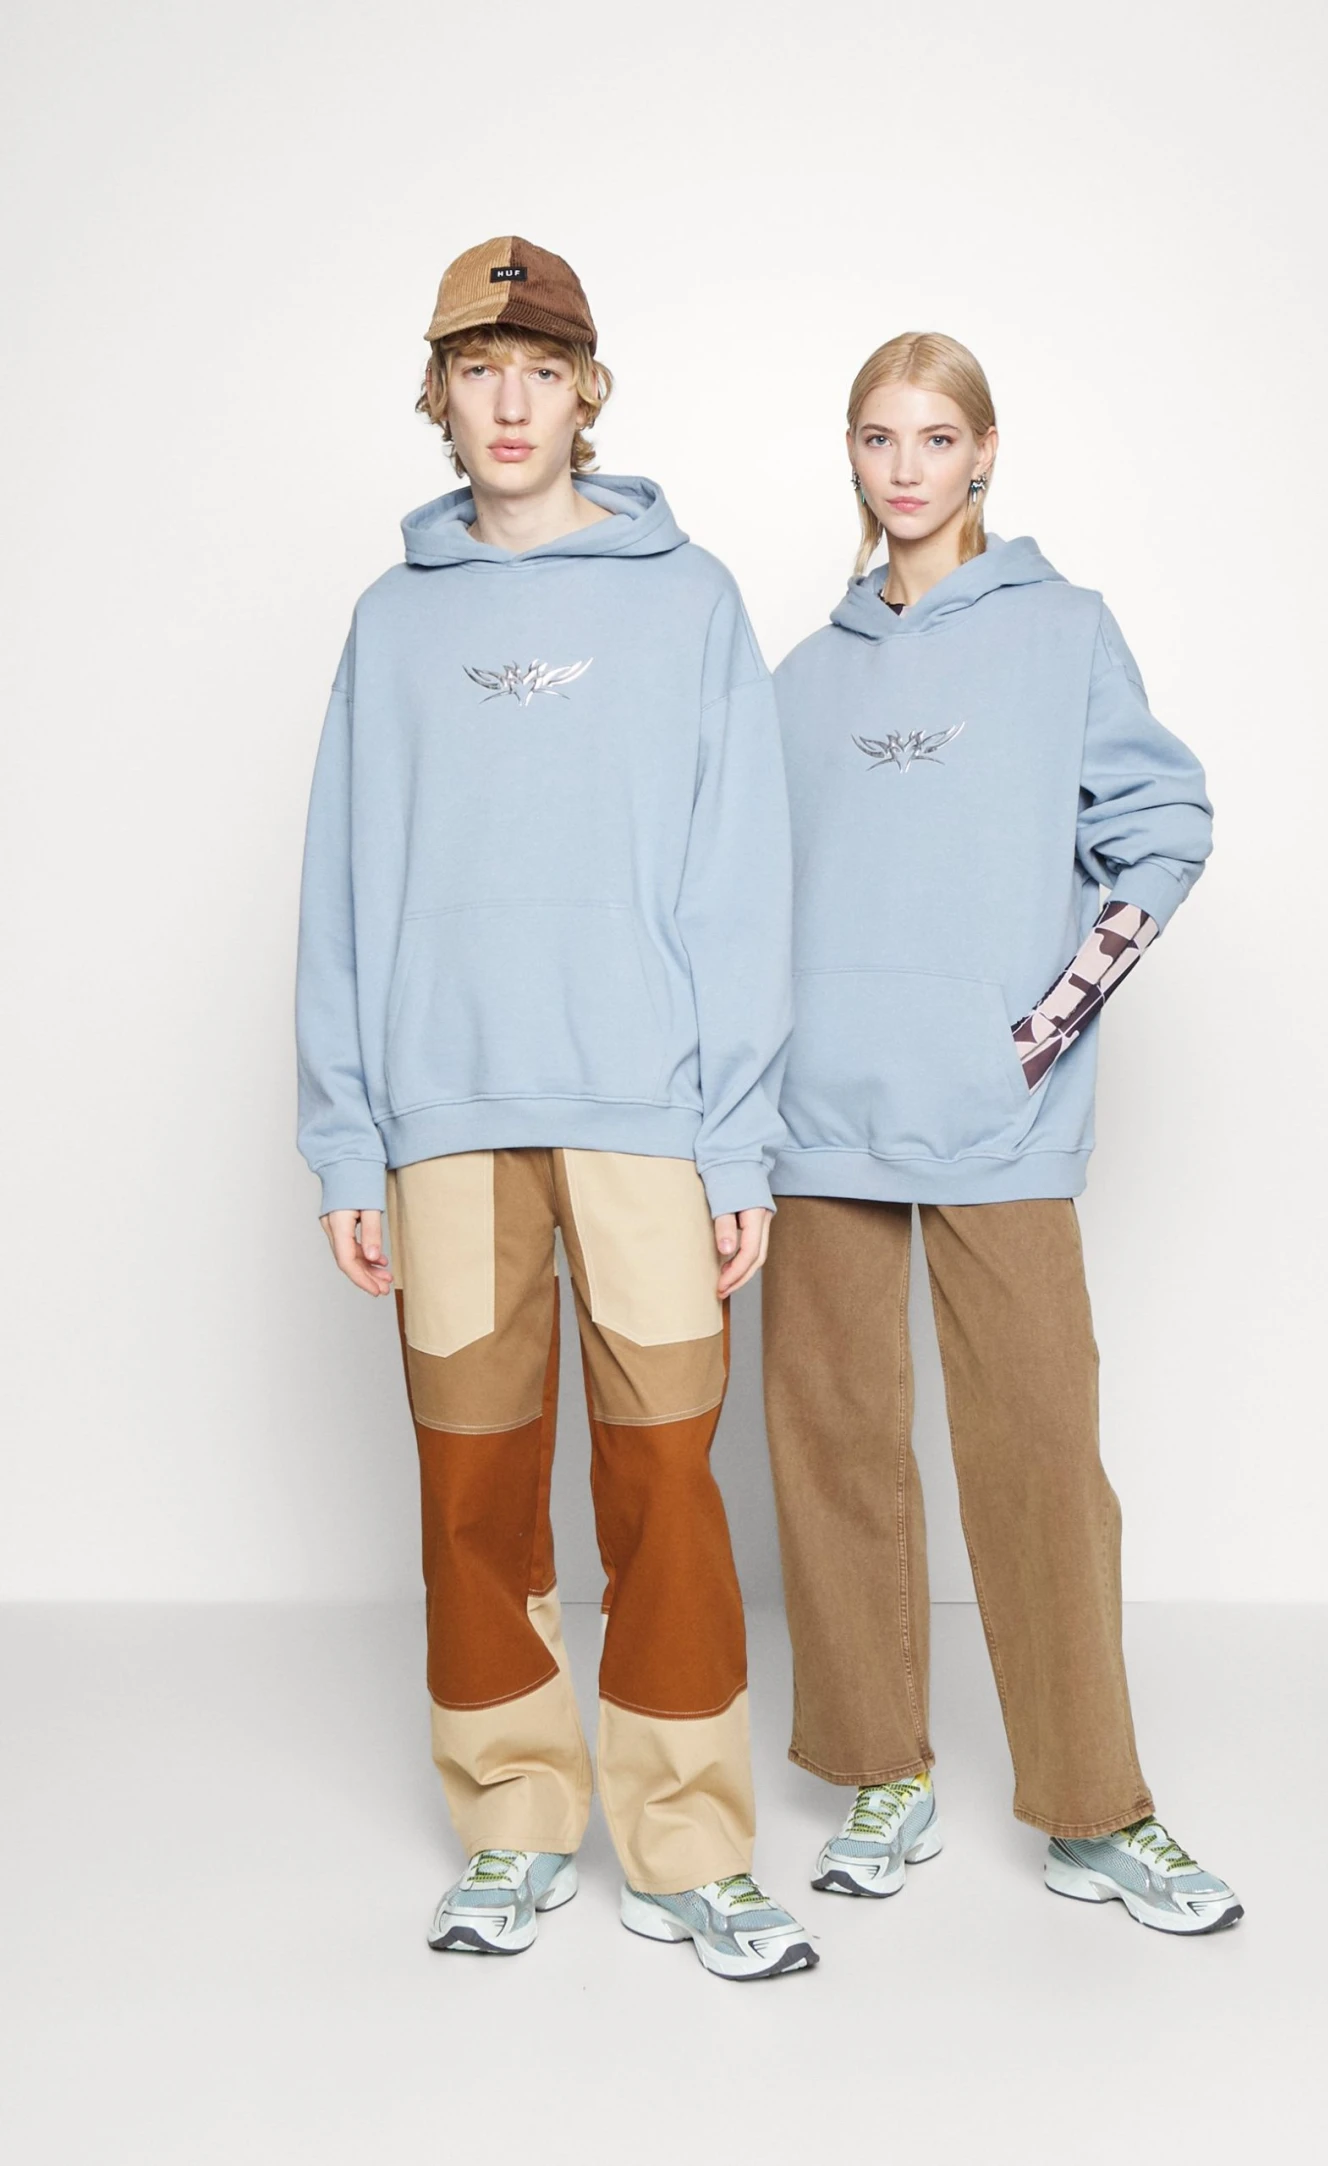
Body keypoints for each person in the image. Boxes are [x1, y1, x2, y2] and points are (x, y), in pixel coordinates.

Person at [295, 234, 816, 1979]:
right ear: (439, 396)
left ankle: (688, 1844)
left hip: (647, 1115)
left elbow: (742, 881)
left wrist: (737, 1135)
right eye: (477, 370)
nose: (508, 402)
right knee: (472, 1484)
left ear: (588, 392)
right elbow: (341, 887)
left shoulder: (689, 601)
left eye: (539, 370)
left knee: (666, 1477)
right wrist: (343, 1131)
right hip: (443, 1115)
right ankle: (514, 1820)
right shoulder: (392, 621)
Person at [760, 331, 1242, 1936]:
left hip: (998, 1118)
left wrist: (1046, 1021)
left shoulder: (1064, 632)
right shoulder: (801, 677)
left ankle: (1098, 1809)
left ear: (983, 455)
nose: (905, 467)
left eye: (935, 437)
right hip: (817, 1122)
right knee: (832, 1449)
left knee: (1040, 1455)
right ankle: (877, 1769)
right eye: (877, 437)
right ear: (851, 455)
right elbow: (743, 890)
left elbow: (1163, 829)